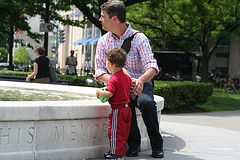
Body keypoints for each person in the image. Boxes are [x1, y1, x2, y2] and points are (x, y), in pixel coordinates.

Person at [95, 1, 164, 158]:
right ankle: (134, 145)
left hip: (141, 82)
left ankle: (157, 145)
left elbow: (152, 66)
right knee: (125, 105)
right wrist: (119, 81)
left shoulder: (139, 38)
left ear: (114, 19)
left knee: (147, 104)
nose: (100, 19)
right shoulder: (103, 41)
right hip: (119, 85)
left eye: (102, 16)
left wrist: (140, 80)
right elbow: (99, 71)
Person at [96, 48, 132, 159]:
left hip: (118, 110)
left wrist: (99, 92)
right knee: (123, 133)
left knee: (115, 132)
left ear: (111, 63)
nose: (106, 65)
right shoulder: (126, 77)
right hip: (127, 109)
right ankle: (118, 153)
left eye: (106, 62)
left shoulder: (113, 79)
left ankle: (116, 154)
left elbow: (109, 94)